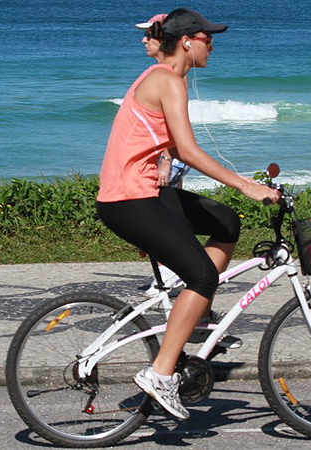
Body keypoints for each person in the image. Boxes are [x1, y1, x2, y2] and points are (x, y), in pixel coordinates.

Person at [96, 8, 280, 420]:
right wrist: (248, 186)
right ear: (186, 42)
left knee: (226, 224)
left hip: (143, 194)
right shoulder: (167, 79)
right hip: (128, 200)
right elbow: (190, 152)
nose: (212, 44)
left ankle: (193, 316)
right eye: (207, 38)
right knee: (202, 275)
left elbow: (176, 150)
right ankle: (161, 373)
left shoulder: (164, 78)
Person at [136, 13, 191, 297]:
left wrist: (166, 162)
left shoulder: (171, 75)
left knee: (163, 215)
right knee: (169, 212)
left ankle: (171, 274)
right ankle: (169, 273)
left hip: (169, 158)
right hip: (166, 157)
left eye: (150, 35)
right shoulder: (160, 72)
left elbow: (171, 124)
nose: (144, 40)